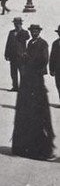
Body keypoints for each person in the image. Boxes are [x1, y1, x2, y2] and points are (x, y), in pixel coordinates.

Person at [11, 25, 55, 160]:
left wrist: (29, 60)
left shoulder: (43, 44)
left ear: (39, 32)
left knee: (38, 111)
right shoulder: (30, 43)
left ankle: (41, 148)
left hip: (37, 78)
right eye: (32, 31)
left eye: (36, 31)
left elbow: (44, 60)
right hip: (28, 79)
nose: (34, 33)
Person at [5, 17, 30, 92]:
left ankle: (23, 87)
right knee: (13, 72)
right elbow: (8, 43)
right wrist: (6, 54)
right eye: (15, 23)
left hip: (21, 56)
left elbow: (27, 37)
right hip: (12, 56)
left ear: (21, 24)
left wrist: (20, 30)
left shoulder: (24, 32)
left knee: (22, 72)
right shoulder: (11, 32)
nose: (16, 25)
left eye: (18, 23)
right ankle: (15, 86)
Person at [49, 25, 60, 101]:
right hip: (57, 69)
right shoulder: (55, 43)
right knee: (58, 85)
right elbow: (52, 57)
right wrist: (51, 69)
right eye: (59, 32)